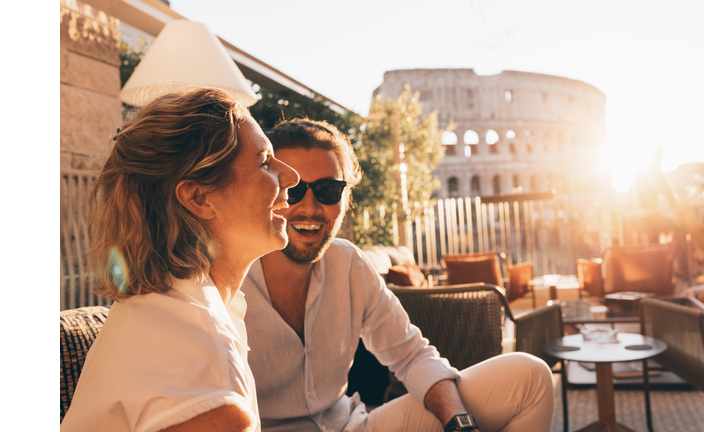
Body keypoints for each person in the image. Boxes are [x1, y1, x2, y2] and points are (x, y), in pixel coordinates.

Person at [241, 119, 554, 432]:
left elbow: (411, 355)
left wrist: (459, 423)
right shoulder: (228, 280)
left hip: (350, 426)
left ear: (345, 197)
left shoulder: (349, 263)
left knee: (530, 375)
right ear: (267, 191)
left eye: (327, 190)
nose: (310, 207)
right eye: (292, 190)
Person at [61, 87, 299, 432]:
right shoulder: (203, 369)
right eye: (264, 161)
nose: (292, 175)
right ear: (199, 196)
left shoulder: (162, 308)